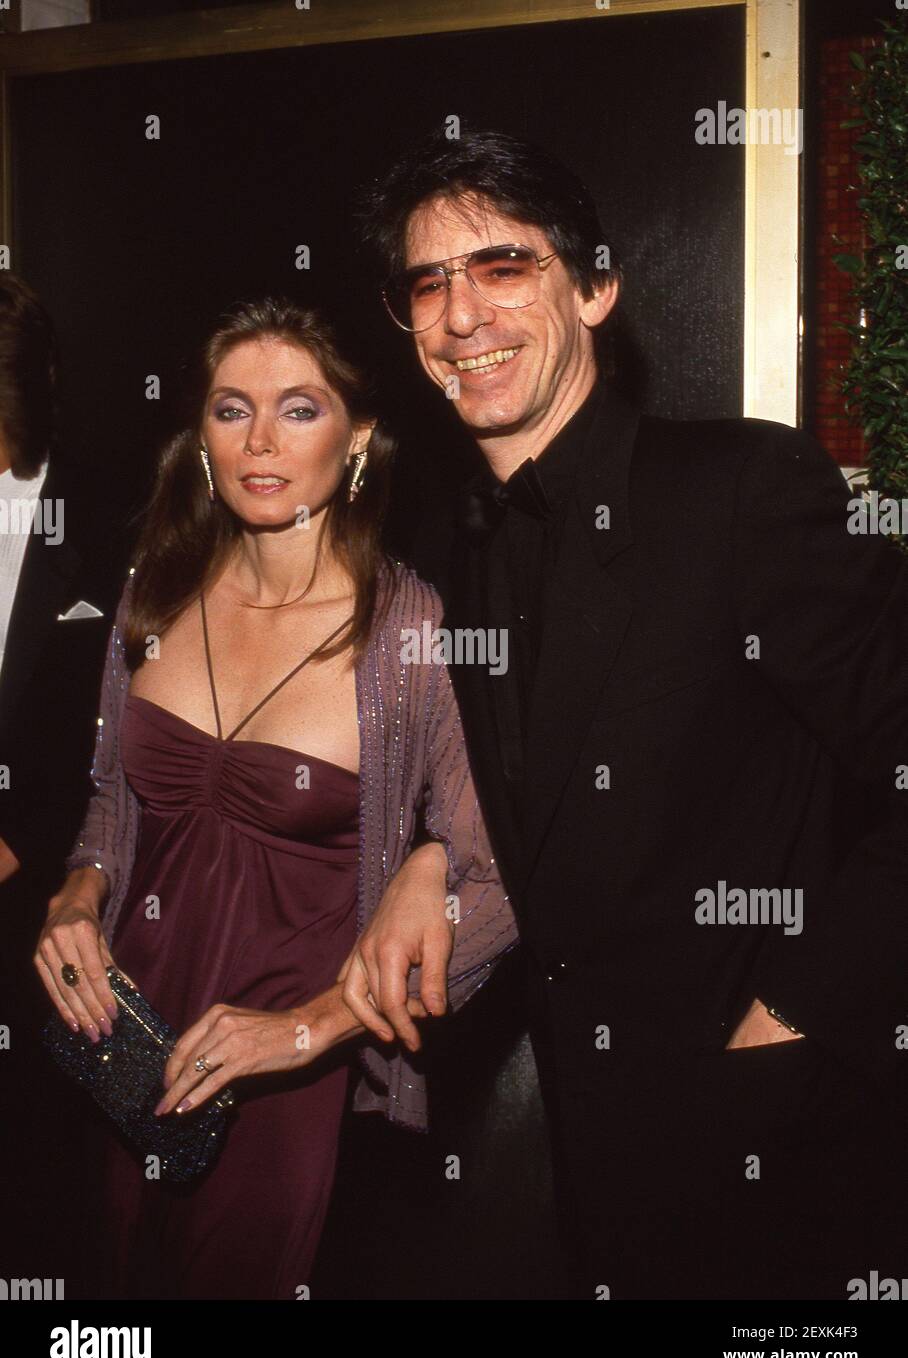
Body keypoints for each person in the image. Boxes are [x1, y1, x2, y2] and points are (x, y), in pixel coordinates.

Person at [342, 129, 908, 1299]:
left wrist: (794, 1010)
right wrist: (433, 854)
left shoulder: (742, 491)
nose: (460, 316)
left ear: (594, 286)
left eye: (501, 267)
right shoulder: (443, 545)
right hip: (577, 1148)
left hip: (774, 1137)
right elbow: (534, 781)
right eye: (428, 284)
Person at [34, 296, 516, 1300]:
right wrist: (79, 890)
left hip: (286, 1086)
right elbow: (112, 802)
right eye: (229, 409)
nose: (258, 441)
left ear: (359, 438)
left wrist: (311, 1027)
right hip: (121, 1043)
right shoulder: (155, 587)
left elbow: (496, 883)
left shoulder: (409, 636)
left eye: (297, 410)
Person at [0, 271, 122, 1284]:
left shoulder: (117, 515)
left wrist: (28, 854)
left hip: (43, 904)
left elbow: (141, 742)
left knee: (41, 1179)